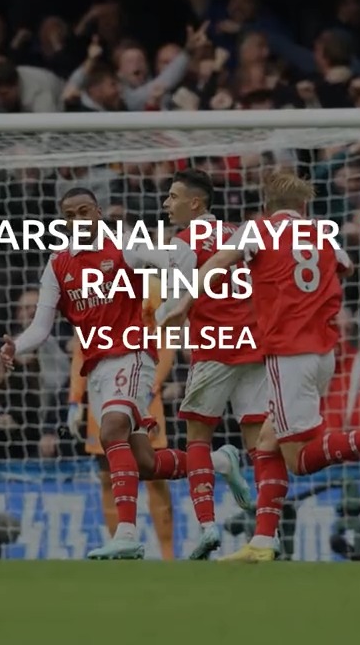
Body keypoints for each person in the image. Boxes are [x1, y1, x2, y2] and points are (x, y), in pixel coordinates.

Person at [162, 170, 360, 562]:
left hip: (288, 356)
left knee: (299, 459)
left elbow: (218, 260)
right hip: (324, 354)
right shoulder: (323, 233)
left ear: (267, 205)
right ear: (304, 206)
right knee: (266, 443)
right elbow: (346, 266)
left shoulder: (258, 229)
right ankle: (263, 541)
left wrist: (185, 303)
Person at [0, 187, 250, 560]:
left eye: (85, 210)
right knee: (145, 464)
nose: (79, 219)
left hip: (132, 356)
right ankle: (220, 462)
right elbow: (40, 327)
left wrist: (182, 296)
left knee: (112, 428)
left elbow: (175, 258)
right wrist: (15, 347)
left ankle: (127, 534)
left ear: (98, 213)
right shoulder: (57, 265)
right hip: (97, 369)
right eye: (70, 215)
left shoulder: (125, 246)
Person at [132, 169, 265, 560]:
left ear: (195, 202)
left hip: (215, 349)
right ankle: (265, 534)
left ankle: (207, 527)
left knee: (198, 439)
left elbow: (176, 303)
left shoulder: (185, 242)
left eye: (173, 197)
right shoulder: (238, 233)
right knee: (258, 443)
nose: (166, 204)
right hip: (254, 345)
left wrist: (152, 323)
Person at [69, 339, 176, 560]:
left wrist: (152, 385)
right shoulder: (89, 316)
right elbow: (82, 350)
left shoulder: (145, 314)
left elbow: (166, 341)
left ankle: (168, 555)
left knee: (153, 473)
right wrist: (75, 397)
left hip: (142, 393)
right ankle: (118, 549)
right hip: (101, 396)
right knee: (107, 475)